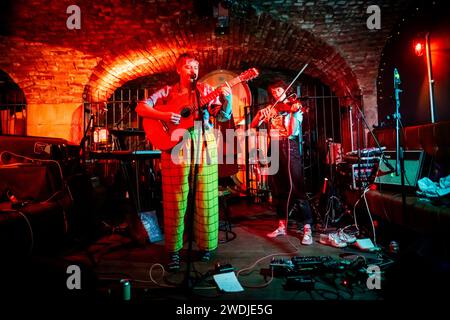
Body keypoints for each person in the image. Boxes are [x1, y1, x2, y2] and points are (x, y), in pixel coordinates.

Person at [136, 53, 232, 271]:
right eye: (189, 66)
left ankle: (206, 246)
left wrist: (228, 99)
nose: (193, 69)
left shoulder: (206, 91)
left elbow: (223, 116)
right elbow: (141, 108)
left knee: (206, 196)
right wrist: (166, 116)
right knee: (174, 199)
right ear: (179, 69)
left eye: (196, 66)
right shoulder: (167, 92)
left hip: (204, 141)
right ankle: (174, 251)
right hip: (175, 143)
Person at [250, 79, 313, 245]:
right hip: (275, 148)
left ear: (286, 91)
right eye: (274, 92)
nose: (276, 94)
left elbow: (292, 131)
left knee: (298, 188)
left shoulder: (294, 107)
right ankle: (281, 225)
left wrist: (292, 113)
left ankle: (307, 228)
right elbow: (253, 124)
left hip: (290, 147)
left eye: (279, 90)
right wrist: (259, 114)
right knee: (279, 190)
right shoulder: (271, 109)